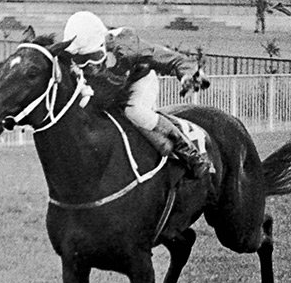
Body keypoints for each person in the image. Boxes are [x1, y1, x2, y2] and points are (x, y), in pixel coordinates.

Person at [61, 11, 211, 177]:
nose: (90, 65)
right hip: (111, 93)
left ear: (104, 44)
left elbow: (167, 57)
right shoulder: (71, 64)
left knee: (134, 111)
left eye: (94, 56)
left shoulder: (127, 46)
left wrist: (187, 73)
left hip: (139, 81)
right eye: (82, 60)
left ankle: (189, 152)